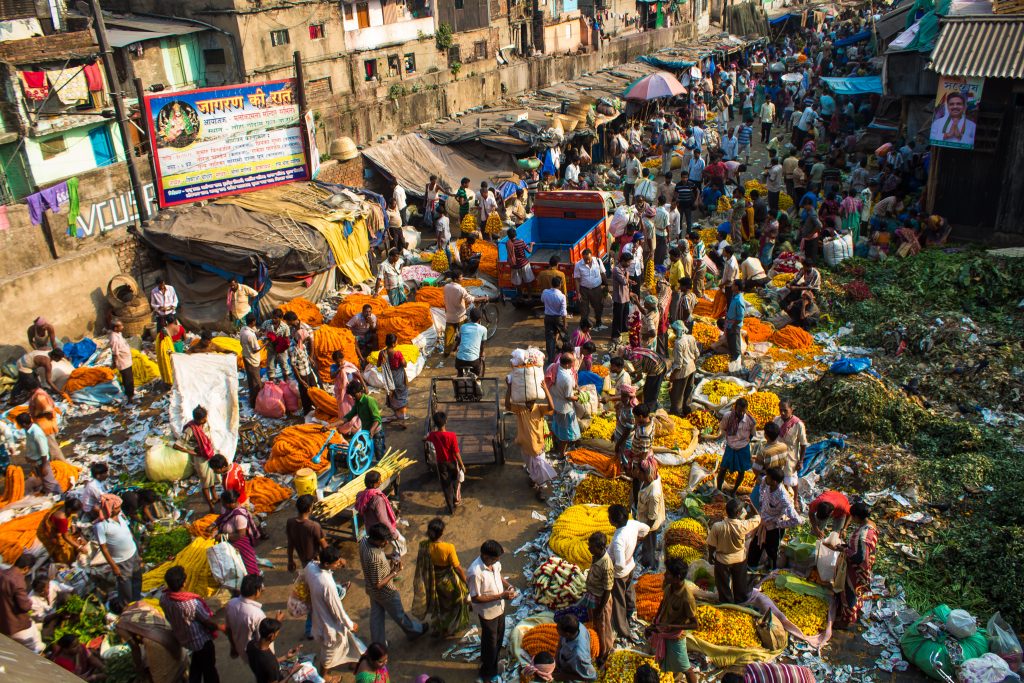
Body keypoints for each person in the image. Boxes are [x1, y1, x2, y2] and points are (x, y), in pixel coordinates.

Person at [360, 522, 425, 647]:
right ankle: (414, 631)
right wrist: (394, 572)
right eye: (384, 542)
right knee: (399, 614)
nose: (386, 544)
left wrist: (388, 556)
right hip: (386, 592)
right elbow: (378, 584)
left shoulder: (364, 542)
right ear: (378, 540)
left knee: (376, 618)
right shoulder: (375, 558)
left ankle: (378, 644)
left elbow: (378, 552)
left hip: (372, 591)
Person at [160, 565, 224, 683]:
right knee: (209, 671)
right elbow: (207, 622)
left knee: (197, 666)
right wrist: (220, 627)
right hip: (200, 641)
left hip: (184, 637)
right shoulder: (191, 603)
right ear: (183, 583)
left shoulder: (164, 598)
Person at [307, 545, 365, 672]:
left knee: (349, 642)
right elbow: (337, 610)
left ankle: (355, 661)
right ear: (327, 563)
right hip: (330, 624)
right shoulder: (327, 584)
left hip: (320, 615)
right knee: (330, 652)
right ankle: (324, 675)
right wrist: (350, 624)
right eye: (336, 562)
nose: (340, 564)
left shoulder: (311, 568)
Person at [412, 517, 471, 637]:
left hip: (433, 581)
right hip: (448, 581)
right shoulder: (448, 547)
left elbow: (423, 564)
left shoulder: (424, 545)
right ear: (442, 532)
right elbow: (457, 567)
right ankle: (452, 626)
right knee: (457, 601)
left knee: (442, 605)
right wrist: (466, 581)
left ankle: (442, 625)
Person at [468, 539, 515, 683]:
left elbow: (498, 576)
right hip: (487, 614)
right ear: (485, 555)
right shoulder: (475, 572)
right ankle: (488, 672)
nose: (497, 562)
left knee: (497, 638)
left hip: (499, 608)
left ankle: (488, 659)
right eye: (494, 559)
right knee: (491, 642)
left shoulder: (494, 564)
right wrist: (501, 595)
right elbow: (475, 598)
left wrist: (508, 585)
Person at [650, 558, 699, 683]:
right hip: (665, 631)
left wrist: (672, 626)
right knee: (670, 662)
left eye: (668, 574)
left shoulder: (687, 597)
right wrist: (655, 621)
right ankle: (674, 679)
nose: (665, 575)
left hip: (676, 637)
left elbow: (695, 625)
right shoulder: (669, 586)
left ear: (677, 577)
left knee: (686, 668)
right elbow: (663, 602)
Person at [505, 376, 557, 492]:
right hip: (526, 446)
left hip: (539, 446)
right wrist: (509, 387)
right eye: (527, 401)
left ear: (534, 400)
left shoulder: (539, 408)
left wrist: (546, 389)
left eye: (531, 401)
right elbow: (508, 406)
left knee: (540, 468)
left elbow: (552, 407)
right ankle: (533, 480)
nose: (529, 403)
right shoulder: (520, 409)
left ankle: (540, 489)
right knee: (531, 467)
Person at [706, 498, 760, 604]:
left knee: (723, 586)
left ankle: (727, 604)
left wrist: (710, 556)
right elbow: (757, 518)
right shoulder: (743, 525)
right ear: (739, 513)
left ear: (726, 511)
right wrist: (751, 504)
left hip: (722, 560)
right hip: (739, 559)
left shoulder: (717, 526)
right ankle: (740, 602)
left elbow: (711, 545)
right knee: (740, 585)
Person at [834, 501, 878, 627]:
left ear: (858, 517)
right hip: (864, 564)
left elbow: (860, 557)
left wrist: (844, 550)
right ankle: (851, 611)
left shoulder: (864, 535)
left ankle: (846, 620)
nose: (851, 519)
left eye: (853, 517)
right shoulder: (870, 525)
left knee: (850, 592)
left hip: (857, 569)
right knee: (856, 592)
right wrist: (846, 546)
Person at [608, 503, 649, 638]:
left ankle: (623, 629)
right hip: (631, 565)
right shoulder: (632, 524)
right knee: (629, 591)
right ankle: (632, 612)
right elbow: (646, 529)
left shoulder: (618, 539)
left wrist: (611, 569)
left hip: (620, 573)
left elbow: (619, 563)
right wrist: (637, 540)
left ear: (613, 521)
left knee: (619, 601)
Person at [748, 468, 800, 571]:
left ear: (775, 482)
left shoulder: (783, 498)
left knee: (772, 552)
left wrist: (778, 524)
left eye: (768, 477)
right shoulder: (765, 481)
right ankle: (751, 568)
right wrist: (762, 501)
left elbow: (797, 520)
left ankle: (771, 572)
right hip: (762, 524)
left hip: (774, 529)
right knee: (755, 547)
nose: (765, 478)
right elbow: (762, 488)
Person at [174, 405, 218, 511]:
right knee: (205, 482)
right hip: (200, 458)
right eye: (204, 418)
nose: (206, 419)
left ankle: (215, 497)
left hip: (209, 453)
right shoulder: (190, 429)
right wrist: (191, 452)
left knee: (212, 477)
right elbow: (177, 445)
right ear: (198, 419)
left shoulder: (205, 424)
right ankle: (210, 505)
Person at [423, 412, 466, 511]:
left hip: (441, 463)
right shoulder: (451, 435)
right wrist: (462, 465)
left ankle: (450, 507)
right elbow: (456, 452)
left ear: (435, 423)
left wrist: (425, 439)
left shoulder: (433, 435)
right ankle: (456, 500)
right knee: (455, 481)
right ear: (446, 421)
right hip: (452, 463)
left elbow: (425, 438)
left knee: (446, 486)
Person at [225, 574, 272, 661]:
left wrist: (233, 646)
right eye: (261, 588)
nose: (263, 590)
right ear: (257, 591)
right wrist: (276, 623)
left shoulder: (230, 604)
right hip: (257, 656)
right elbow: (263, 642)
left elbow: (228, 629)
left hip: (241, 649)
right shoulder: (257, 614)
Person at [355, 470, 403, 554]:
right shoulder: (377, 499)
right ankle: (395, 564)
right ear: (375, 483)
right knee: (400, 545)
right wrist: (393, 533)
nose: (380, 481)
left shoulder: (362, 495)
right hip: (380, 531)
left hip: (369, 529)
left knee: (377, 549)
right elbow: (383, 519)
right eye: (379, 480)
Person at [716, 397, 756, 496]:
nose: (741, 413)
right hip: (730, 446)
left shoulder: (751, 421)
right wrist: (730, 438)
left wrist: (744, 441)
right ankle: (718, 489)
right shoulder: (728, 416)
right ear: (735, 408)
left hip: (743, 448)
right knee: (723, 468)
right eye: (739, 411)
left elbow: (752, 434)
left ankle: (734, 491)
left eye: (743, 411)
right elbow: (723, 428)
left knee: (741, 472)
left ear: (746, 409)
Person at [0, 553, 39, 652]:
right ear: (26, 568)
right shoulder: (18, 581)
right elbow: (24, 606)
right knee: (32, 651)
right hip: (16, 626)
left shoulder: (3, 573)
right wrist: (30, 602)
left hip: (3, 624)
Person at [15, 412, 61, 495]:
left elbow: (44, 451)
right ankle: (46, 490)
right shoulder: (28, 430)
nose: (18, 426)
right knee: (42, 478)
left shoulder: (36, 433)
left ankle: (58, 495)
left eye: (19, 424)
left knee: (49, 481)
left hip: (41, 462)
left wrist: (43, 466)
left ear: (24, 424)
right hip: (36, 461)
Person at [245, 618, 304, 683]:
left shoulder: (251, 644)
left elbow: (264, 663)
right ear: (271, 636)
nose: (277, 635)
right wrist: (291, 673)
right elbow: (269, 663)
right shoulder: (271, 664)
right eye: (277, 633)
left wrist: (286, 656)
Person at [217, 489, 260, 575]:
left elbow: (241, 535)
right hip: (232, 545)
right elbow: (222, 517)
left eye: (223, 503)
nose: (222, 505)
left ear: (230, 503)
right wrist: (213, 525)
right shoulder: (229, 511)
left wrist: (223, 537)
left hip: (241, 546)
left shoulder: (239, 516)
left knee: (249, 568)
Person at [444, 271, 487, 355]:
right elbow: (470, 299)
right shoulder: (460, 289)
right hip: (460, 316)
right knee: (464, 334)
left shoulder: (446, 286)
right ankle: (461, 350)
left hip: (449, 315)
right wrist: (482, 298)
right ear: (456, 279)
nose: (462, 278)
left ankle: (446, 352)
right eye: (461, 277)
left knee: (448, 336)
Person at [341, 382, 386, 462]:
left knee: (379, 453)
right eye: (351, 395)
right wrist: (331, 425)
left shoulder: (369, 401)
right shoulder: (358, 402)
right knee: (365, 452)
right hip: (366, 432)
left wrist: (372, 431)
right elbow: (348, 417)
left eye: (354, 394)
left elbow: (377, 419)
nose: (353, 397)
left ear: (360, 392)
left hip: (376, 433)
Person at [285, 311, 319, 413]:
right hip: (302, 370)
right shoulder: (294, 348)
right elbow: (294, 365)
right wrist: (300, 379)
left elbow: (311, 343)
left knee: (314, 384)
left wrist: (310, 357)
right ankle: (307, 409)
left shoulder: (304, 330)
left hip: (307, 362)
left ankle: (316, 403)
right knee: (305, 390)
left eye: (288, 321)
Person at [550, 353, 581, 456]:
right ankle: (562, 453)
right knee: (565, 432)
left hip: (554, 403)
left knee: (556, 426)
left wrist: (576, 385)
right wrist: (578, 398)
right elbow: (568, 396)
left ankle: (553, 445)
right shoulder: (566, 378)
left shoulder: (554, 366)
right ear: (568, 364)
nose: (574, 363)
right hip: (565, 408)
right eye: (573, 361)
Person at [637, 463, 666, 570]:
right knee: (648, 544)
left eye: (639, 472)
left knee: (649, 544)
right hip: (645, 520)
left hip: (650, 524)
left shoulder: (654, 493)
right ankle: (647, 559)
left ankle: (651, 565)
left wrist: (645, 531)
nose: (637, 473)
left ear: (645, 473)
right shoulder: (648, 480)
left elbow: (652, 517)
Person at [377, 333, 409, 429]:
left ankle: (396, 414)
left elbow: (378, 364)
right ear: (394, 343)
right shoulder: (397, 353)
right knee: (402, 397)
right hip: (398, 378)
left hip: (389, 378)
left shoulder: (382, 353)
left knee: (393, 395)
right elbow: (404, 364)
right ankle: (402, 420)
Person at [667, 321, 698, 417]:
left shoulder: (678, 343)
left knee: (678, 394)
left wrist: (672, 375)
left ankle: (677, 413)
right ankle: (687, 409)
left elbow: (678, 364)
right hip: (692, 367)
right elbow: (697, 353)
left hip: (682, 371)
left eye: (674, 330)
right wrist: (693, 363)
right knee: (688, 391)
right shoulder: (691, 337)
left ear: (676, 330)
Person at [554, 613, 597, 680]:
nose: (557, 631)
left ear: (567, 634)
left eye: (559, 631)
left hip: (574, 672)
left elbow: (592, 677)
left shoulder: (579, 655)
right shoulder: (576, 625)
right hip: (565, 663)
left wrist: (564, 676)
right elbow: (561, 639)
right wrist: (557, 654)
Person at [106, 318, 136, 404]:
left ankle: (130, 394)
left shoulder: (118, 334)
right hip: (123, 362)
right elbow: (115, 352)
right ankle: (130, 398)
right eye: (121, 326)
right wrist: (114, 363)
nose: (122, 327)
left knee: (129, 379)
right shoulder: (114, 338)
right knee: (128, 380)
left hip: (126, 360)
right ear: (115, 328)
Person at [627, 346, 667, 412]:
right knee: (646, 390)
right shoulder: (633, 351)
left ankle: (650, 411)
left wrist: (630, 383)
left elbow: (640, 377)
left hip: (657, 369)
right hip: (657, 364)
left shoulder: (634, 359)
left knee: (651, 392)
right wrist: (632, 373)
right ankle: (649, 406)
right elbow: (640, 368)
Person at [574, 249, 606, 330]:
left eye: (588, 259)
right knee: (584, 308)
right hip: (584, 290)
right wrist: (578, 292)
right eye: (585, 259)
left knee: (598, 306)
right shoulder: (578, 265)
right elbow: (577, 279)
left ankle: (598, 321)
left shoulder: (598, 261)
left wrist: (606, 286)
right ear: (582, 258)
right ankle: (584, 325)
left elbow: (603, 273)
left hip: (597, 289)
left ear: (591, 255)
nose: (587, 261)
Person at [542, 275, 568, 364]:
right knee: (565, 337)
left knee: (550, 339)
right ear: (560, 285)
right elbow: (563, 312)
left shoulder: (545, 292)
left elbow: (542, 300)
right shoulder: (562, 296)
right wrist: (564, 324)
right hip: (558, 319)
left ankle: (551, 360)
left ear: (551, 284)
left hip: (548, 317)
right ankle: (566, 357)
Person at [239, 314, 263, 408]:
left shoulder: (242, 329)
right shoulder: (250, 335)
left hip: (246, 357)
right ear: (253, 322)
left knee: (251, 381)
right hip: (252, 360)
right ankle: (256, 403)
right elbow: (256, 349)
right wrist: (265, 343)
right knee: (256, 383)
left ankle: (253, 400)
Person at [455, 308, 487, 378]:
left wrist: (455, 348)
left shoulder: (463, 327)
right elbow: (482, 346)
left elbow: (459, 341)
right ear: (479, 319)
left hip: (460, 360)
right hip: (473, 360)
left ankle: (459, 379)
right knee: (477, 372)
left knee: (459, 372)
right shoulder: (483, 329)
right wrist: (481, 354)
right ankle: (477, 381)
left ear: (470, 317)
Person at [261, 308, 291, 382]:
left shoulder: (285, 327)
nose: (273, 319)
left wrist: (280, 342)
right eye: (272, 317)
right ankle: (271, 385)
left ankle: (286, 384)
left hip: (281, 351)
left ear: (280, 318)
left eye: (275, 318)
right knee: (270, 368)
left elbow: (287, 339)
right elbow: (261, 332)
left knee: (284, 367)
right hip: (271, 349)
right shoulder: (266, 323)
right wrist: (267, 337)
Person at [505, 228, 536, 297]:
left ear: (508, 236)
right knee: (528, 282)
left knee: (517, 284)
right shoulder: (521, 242)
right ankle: (529, 296)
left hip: (515, 266)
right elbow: (530, 251)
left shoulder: (508, 244)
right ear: (515, 234)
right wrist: (531, 244)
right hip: (524, 264)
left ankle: (520, 297)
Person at [611, 253, 634, 339]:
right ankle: (616, 335)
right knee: (618, 318)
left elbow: (626, 280)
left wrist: (630, 281)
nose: (629, 264)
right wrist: (627, 276)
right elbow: (624, 281)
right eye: (628, 262)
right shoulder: (617, 269)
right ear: (623, 261)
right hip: (619, 298)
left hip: (626, 297)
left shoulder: (624, 269)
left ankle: (624, 333)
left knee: (625, 317)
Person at [723, 282, 746, 369]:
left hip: (734, 325)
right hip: (730, 324)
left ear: (736, 287)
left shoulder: (739, 300)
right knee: (731, 343)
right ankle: (733, 360)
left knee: (735, 344)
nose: (731, 286)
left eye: (733, 285)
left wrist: (733, 326)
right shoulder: (734, 296)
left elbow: (740, 317)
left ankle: (737, 364)